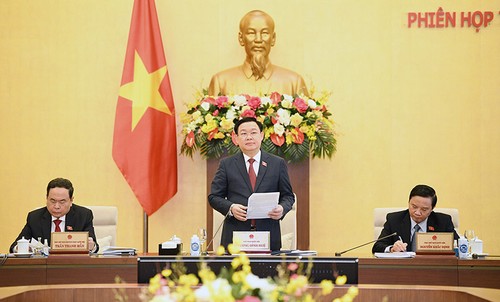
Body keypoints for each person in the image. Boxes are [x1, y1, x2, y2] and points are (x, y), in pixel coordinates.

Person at [209, 117, 295, 252]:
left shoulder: (277, 164)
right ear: (236, 138)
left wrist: (282, 208)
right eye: (243, 133)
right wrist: (231, 208)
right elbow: (214, 197)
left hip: (268, 236)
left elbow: (288, 196)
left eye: (253, 132)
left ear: (261, 136)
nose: (249, 137)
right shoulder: (226, 164)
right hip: (235, 237)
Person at [208, 10, 308, 97]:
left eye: (265, 33)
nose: (258, 40)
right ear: (241, 38)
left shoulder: (294, 82)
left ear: (273, 38)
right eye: (251, 33)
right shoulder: (221, 82)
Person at [10, 178, 99, 253]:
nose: (56, 206)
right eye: (52, 201)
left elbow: (94, 247)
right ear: (46, 198)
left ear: (71, 200)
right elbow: (14, 247)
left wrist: (91, 245)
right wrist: (21, 248)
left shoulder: (83, 215)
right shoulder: (34, 217)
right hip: (44, 269)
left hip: (73, 267)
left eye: (62, 201)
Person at [372, 184, 459, 253]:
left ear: (432, 208)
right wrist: (392, 249)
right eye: (414, 206)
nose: (417, 212)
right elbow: (377, 246)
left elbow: (458, 244)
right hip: (402, 270)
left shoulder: (443, 221)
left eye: (424, 209)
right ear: (408, 202)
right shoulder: (394, 219)